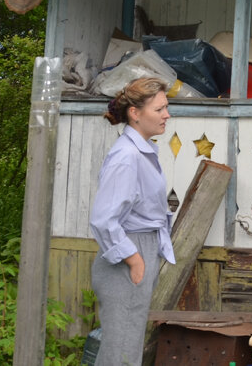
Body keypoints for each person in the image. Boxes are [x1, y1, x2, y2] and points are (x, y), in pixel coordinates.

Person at [89, 77, 176, 365]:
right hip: (128, 253)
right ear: (135, 113)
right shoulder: (127, 156)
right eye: (159, 109)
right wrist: (134, 259)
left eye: (166, 107)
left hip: (141, 247)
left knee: (125, 347)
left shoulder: (142, 151)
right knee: (121, 352)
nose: (167, 115)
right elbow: (104, 219)